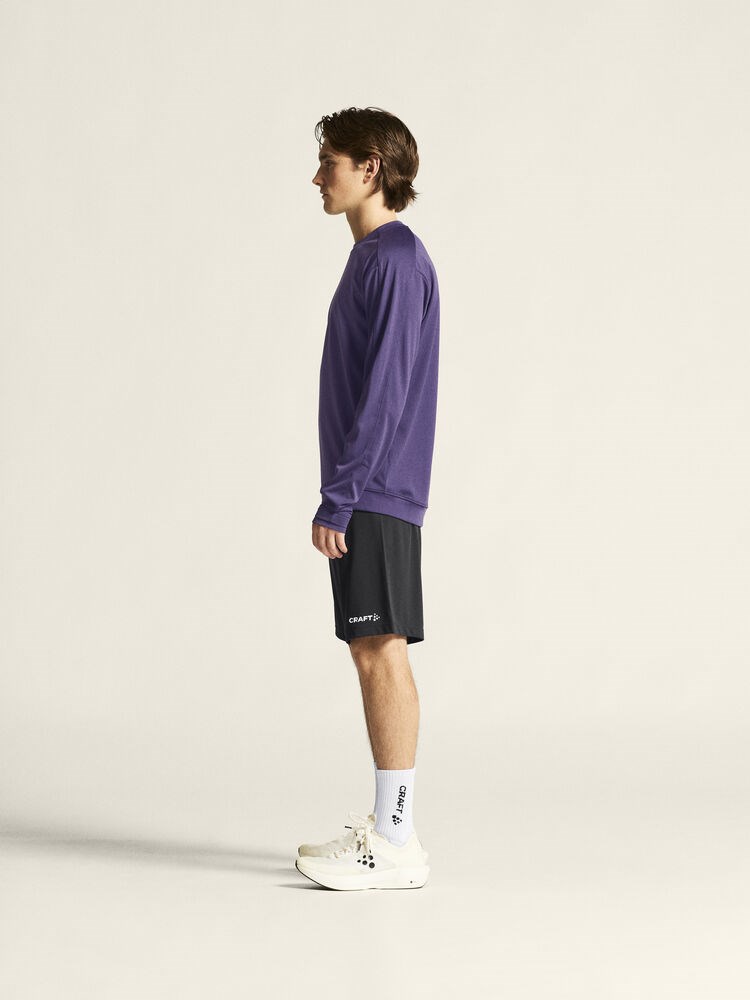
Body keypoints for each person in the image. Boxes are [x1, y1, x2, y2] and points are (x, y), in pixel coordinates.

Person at [295, 107, 440, 891]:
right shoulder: (377, 258)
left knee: (380, 649)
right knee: (372, 647)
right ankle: (391, 832)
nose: (318, 176)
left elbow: (385, 394)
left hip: (375, 490)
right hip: (373, 489)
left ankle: (395, 840)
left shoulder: (394, 259)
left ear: (370, 169)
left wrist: (340, 496)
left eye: (331, 162)